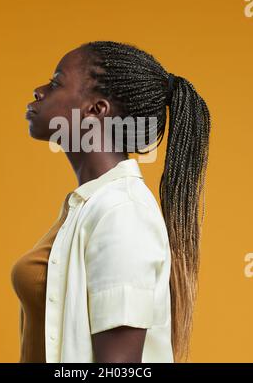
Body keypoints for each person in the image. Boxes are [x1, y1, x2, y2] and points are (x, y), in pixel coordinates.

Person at [11, 40, 211, 363]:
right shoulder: (87, 207)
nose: (38, 91)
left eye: (55, 82)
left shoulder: (122, 213)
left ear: (96, 110)